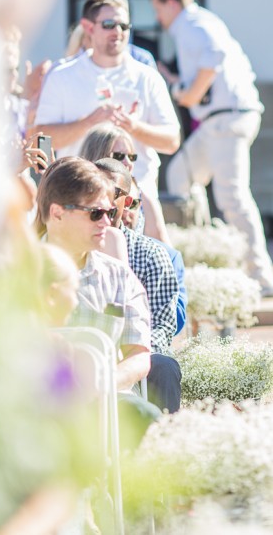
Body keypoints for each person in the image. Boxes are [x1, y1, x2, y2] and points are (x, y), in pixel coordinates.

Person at [151, 0, 273, 296]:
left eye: (158, 10)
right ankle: (206, 255)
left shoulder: (193, 23)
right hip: (218, 122)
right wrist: (178, 84)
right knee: (180, 173)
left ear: (171, 3)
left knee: (232, 196)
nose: (158, 19)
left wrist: (189, 94)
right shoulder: (195, 24)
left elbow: (214, 58)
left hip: (227, 120)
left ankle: (261, 276)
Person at [33, 0, 181, 246]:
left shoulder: (147, 77)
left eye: (124, 26)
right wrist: (88, 122)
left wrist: (134, 126)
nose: (118, 32)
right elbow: (41, 137)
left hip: (136, 201)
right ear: (89, 28)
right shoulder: (63, 76)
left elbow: (171, 141)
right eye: (109, 25)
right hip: (80, 202)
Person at [35, 157, 162, 446]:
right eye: (95, 214)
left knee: (147, 417)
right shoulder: (17, 272)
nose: (108, 222)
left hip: (105, 401)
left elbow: (139, 355)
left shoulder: (119, 276)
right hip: (34, 403)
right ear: (56, 214)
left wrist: (102, 385)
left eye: (108, 212)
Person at [92, 156, 184, 413]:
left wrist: (129, 354)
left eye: (114, 191)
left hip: (135, 350)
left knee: (164, 367)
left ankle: (163, 447)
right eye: (94, 187)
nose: (103, 196)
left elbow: (162, 326)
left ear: (128, 202)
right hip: (84, 348)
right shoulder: (71, 242)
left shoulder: (151, 254)